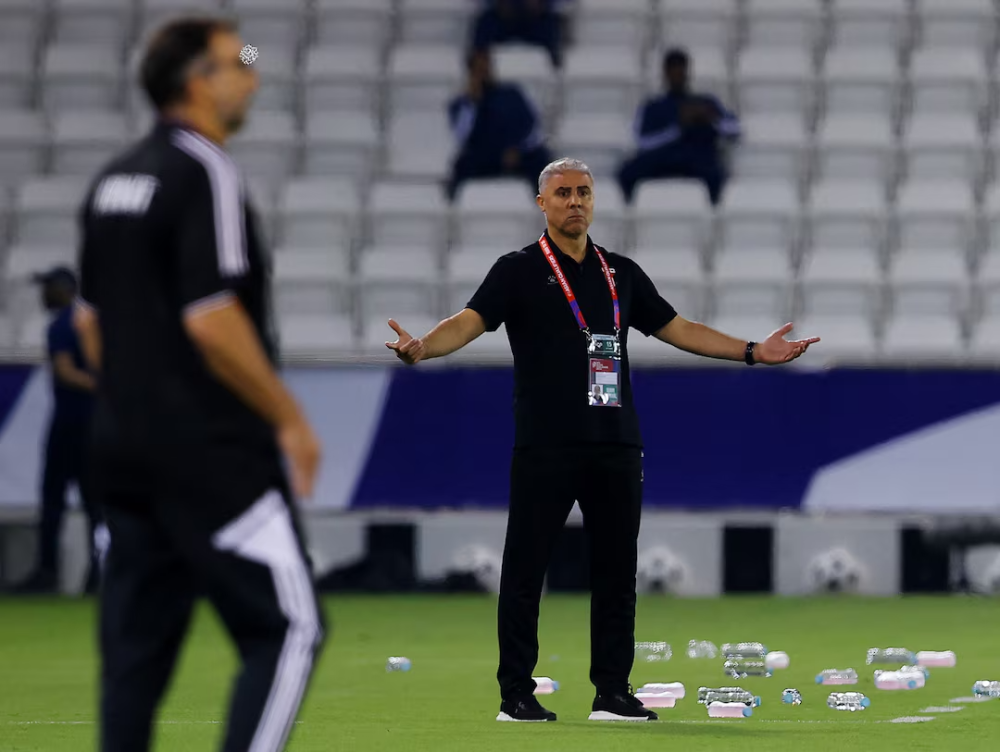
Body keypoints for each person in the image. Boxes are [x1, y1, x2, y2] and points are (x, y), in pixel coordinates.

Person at [385, 157, 818, 723]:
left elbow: (678, 328)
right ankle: (515, 695)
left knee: (617, 573)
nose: (574, 202)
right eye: (562, 193)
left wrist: (753, 352)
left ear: (594, 201)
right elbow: (469, 320)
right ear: (542, 203)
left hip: (616, 441)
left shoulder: (621, 274)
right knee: (525, 571)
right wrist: (424, 347)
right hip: (545, 444)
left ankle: (611, 692)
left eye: (583, 192)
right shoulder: (516, 270)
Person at [73, 17, 324, 752]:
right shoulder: (205, 169)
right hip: (206, 450)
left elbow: (91, 328)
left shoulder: (113, 179)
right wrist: (289, 420)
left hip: (120, 446)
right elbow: (212, 316)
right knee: (288, 627)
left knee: (135, 656)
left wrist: (137, 406)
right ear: (196, 81)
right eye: (237, 60)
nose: (252, 74)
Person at [10, 266, 100, 594]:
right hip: (94, 424)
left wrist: (98, 385)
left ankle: (48, 571)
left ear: (65, 289)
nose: (44, 295)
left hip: (70, 422)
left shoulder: (63, 325)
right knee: (95, 502)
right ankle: (97, 573)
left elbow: (64, 372)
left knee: (53, 499)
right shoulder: (93, 322)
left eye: (49, 287)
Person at [618, 48, 741, 205]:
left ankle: (714, 216)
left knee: (717, 174)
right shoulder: (653, 106)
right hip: (661, 159)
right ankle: (631, 213)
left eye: (681, 71)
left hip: (697, 159)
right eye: (672, 71)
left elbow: (735, 130)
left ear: (687, 72)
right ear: (665, 73)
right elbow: (642, 141)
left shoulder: (705, 102)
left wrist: (711, 118)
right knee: (626, 172)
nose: (677, 76)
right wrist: (677, 128)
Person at [446, 48, 553, 201]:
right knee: (463, 165)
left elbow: (531, 125)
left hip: (517, 153)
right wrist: (472, 103)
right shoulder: (462, 105)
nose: (483, 72)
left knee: (543, 162)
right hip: (485, 157)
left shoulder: (511, 94)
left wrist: (516, 149)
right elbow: (463, 136)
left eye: (486, 66)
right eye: (478, 69)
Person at [471, 0, 563, 68]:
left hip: (536, 18)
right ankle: (476, 64)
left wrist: (543, 3)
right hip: (503, 17)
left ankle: (556, 65)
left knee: (550, 22)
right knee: (486, 21)